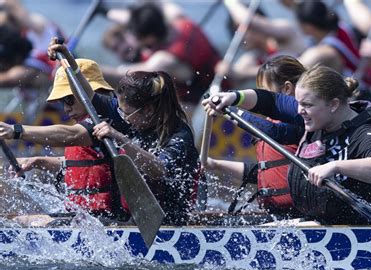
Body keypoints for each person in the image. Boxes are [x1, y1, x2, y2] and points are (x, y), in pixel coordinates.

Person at [203, 65, 371, 225]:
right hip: (316, 222)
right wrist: (233, 97)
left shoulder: (364, 132)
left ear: (333, 104)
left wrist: (335, 166)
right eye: (298, 103)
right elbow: (270, 101)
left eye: (307, 105)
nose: (300, 110)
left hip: (356, 229)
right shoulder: (318, 113)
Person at [49, 39, 200, 226]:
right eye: (120, 112)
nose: (123, 117)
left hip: (168, 225)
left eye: (127, 113)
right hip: (132, 221)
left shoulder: (179, 136)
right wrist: (69, 61)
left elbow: (159, 170)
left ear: (148, 110)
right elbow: (88, 95)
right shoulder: (133, 117)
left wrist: (119, 137)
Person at [0, 58, 128, 221]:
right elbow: (85, 165)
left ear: (88, 93)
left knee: (19, 224)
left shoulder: (108, 119)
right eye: (62, 102)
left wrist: (16, 130)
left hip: (111, 222)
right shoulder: (89, 121)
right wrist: (38, 161)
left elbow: (71, 135)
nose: (66, 108)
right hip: (86, 219)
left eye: (69, 99)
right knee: (13, 221)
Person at [204, 55, 305, 216]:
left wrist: (229, 110)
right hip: (278, 215)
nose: (257, 97)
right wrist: (215, 164)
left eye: (263, 91)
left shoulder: (306, 118)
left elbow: (273, 133)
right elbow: (261, 170)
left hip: (301, 214)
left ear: (287, 89)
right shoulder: (272, 121)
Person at [101, 2, 220, 106]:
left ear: (150, 38)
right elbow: (159, 4)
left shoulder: (164, 60)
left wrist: (90, 70)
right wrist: (104, 11)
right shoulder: (180, 20)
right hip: (210, 69)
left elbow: (122, 76)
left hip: (203, 99)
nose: (131, 39)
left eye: (136, 37)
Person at [215, 0, 306, 86]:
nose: (239, 36)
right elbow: (235, 77)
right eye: (235, 31)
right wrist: (226, 71)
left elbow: (249, 21)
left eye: (242, 30)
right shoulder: (253, 57)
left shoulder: (287, 32)